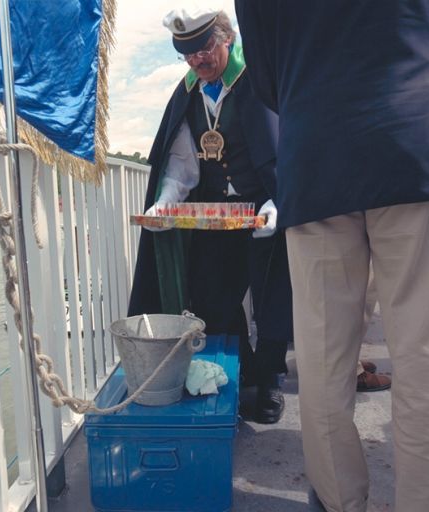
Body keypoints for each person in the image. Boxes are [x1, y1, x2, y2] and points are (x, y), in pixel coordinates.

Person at [236, 2, 429, 512]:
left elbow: (264, 74)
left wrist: (319, 92)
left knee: (323, 361)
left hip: (316, 148)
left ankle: (339, 502)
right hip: (419, 137)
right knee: (426, 359)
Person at [127, 7, 293, 424]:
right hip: (215, 216)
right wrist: (166, 199)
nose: (198, 61)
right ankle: (238, 377)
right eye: (188, 55)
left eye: (204, 49)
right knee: (214, 299)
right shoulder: (187, 92)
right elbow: (182, 163)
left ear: (228, 40)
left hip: (264, 211)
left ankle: (267, 381)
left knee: (273, 298)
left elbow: (290, 147)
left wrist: (281, 198)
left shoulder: (260, 80)